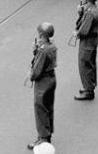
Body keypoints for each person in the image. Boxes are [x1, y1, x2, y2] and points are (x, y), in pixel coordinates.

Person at [29, 22, 57, 150]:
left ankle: (43, 138)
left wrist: (31, 75)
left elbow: (37, 69)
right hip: (51, 78)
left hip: (43, 81)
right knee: (48, 107)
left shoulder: (42, 49)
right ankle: (48, 133)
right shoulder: (51, 46)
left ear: (41, 34)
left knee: (40, 108)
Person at [74, 0, 98, 101]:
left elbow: (84, 29)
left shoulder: (90, 13)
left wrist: (77, 33)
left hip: (87, 41)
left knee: (85, 64)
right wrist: (81, 12)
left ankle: (88, 90)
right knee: (90, 63)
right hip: (93, 39)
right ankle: (89, 86)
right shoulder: (95, 8)